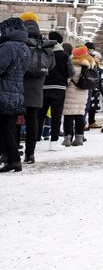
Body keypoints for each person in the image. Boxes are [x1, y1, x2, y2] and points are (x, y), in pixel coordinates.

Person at [20, 12, 55, 164]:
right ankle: (30, 154)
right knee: (33, 121)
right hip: (37, 88)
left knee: (15, 120)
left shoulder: (21, 40)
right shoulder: (43, 42)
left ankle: (12, 152)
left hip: (20, 85)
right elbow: (51, 65)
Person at [0, 18, 30, 173]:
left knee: (6, 128)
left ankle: (13, 159)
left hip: (3, 92)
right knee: (8, 128)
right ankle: (12, 159)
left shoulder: (7, 47)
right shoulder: (24, 47)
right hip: (16, 93)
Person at [40, 31, 72, 152]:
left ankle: (36, 138)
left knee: (40, 114)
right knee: (56, 115)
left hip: (43, 86)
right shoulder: (64, 55)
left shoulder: (44, 51)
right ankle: (53, 141)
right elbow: (71, 72)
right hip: (59, 87)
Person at [63, 46, 96, 146]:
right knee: (80, 115)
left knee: (68, 116)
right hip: (83, 93)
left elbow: (67, 80)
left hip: (70, 93)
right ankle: (79, 138)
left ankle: (67, 138)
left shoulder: (73, 66)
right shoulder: (89, 65)